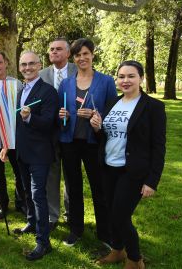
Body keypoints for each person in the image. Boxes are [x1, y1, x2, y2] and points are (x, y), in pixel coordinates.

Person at [91, 61, 166, 269]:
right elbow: (106, 137)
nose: (125, 81)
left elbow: (159, 147)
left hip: (132, 171)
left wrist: (152, 180)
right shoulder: (112, 103)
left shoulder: (153, 107)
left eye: (131, 76)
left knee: (120, 215)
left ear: (141, 78)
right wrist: (97, 128)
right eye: (121, 76)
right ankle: (117, 250)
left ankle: (135, 259)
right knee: (110, 213)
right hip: (108, 167)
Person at [58, 38, 117, 247]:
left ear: (92, 55)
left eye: (85, 54)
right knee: (73, 188)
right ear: (73, 58)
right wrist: (62, 114)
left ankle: (105, 233)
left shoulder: (106, 81)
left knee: (99, 188)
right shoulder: (65, 83)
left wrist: (95, 115)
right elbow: (61, 112)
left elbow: (112, 113)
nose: (82, 58)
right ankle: (76, 230)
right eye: (77, 55)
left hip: (94, 143)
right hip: (69, 142)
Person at [1, 51, 58, 261]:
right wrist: (7, 145)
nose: (27, 68)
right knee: (26, 191)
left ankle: (44, 242)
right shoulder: (21, 90)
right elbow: (15, 123)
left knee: (38, 195)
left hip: (40, 153)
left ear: (39, 65)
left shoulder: (49, 92)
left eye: (31, 64)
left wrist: (30, 117)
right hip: (22, 151)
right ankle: (32, 223)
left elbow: (49, 123)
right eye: (23, 64)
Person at [39, 37, 77, 230]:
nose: (54, 52)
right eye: (51, 49)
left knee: (71, 175)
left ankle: (71, 214)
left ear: (68, 53)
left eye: (59, 49)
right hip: (48, 135)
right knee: (51, 176)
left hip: (72, 133)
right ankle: (52, 216)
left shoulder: (78, 72)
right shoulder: (41, 74)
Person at [0, 50, 26, 219]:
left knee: (19, 171)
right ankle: (2, 204)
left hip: (15, 136)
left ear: (6, 63)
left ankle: (21, 203)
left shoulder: (16, 84)